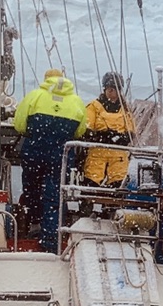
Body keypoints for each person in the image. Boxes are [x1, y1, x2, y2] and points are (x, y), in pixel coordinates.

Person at [11, 68, 86, 245]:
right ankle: (51, 237)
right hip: (61, 153)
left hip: (36, 150)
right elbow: (80, 130)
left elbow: (19, 124)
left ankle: (35, 224)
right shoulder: (76, 101)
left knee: (32, 188)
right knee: (55, 193)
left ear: (46, 79)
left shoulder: (34, 96)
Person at [82, 71, 135, 187]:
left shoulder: (125, 109)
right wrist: (103, 136)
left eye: (116, 90)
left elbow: (131, 133)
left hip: (118, 155)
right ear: (104, 89)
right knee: (91, 183)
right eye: (110, 90)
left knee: (117, 186)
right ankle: (87, 203)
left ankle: (112, 205)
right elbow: (87, 130)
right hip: (97, 152)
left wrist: (120, 138)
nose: (113, 93)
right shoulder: (93, 106)